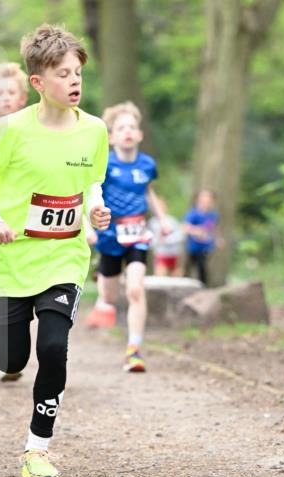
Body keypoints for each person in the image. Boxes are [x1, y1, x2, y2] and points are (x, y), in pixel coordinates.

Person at [0, 24, 110, 477]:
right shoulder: (9, 131)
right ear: (38, 83)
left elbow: (91, 182)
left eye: (78, 73)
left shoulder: (94, 130)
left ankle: (37, 450)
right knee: (11, 360)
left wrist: (97, 211)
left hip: (63, 259)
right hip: (9, 260)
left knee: (53, 347)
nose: (74, 81)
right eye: (63, 74)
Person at [84, 102, 168, 373]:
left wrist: (162, 219)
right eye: (121, 128)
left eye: (132, 127)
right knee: (109, 297)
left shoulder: (148, 165)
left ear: (140, 134)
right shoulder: (105, 163)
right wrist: (88, 228)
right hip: (109, 236)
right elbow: (89, 195)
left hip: (137, 236)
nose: (128, 132)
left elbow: (148, 193)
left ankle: (134, 349)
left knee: (134, 289)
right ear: (111, 137)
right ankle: (103, 286)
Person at [183, 189, 219, 286]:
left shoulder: (212, 215)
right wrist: (197, 231)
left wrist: (217, 239)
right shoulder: (193, 214)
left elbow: (212, 229)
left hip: (206, 247)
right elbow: (185, 228)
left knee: (202, 268)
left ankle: (204, 287)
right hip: (194, 247)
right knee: (190, 268)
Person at [148, 197, 185, 277]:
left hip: (174, 254)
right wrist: (157, 241)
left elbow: (181, 236)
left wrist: (167, 240)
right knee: (160, 277)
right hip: (160, 255)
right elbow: (149, 239)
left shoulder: (172, 221)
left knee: (177, 277)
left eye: (162, 206)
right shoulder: (152, 222)